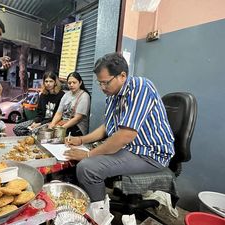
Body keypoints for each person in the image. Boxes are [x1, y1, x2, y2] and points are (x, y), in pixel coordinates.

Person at [64, 53, 175, 203]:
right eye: (99, 83)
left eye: (106, 83)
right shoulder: (113, 96)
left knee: (88, 168)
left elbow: (125, 135)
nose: (102, 88)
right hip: (131, 148)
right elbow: (106, 127)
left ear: (122, 76)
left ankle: (100, 215)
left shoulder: (140, 87)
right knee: (81, 155)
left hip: (150, 154)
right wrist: (81, 139)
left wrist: (89, 155)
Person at [13, 72, 65, 136]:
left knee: (33, 132)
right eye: (46, 81)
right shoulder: (43, 95)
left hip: (52, 122)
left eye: (51, 81)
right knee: (16, 128)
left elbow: (57, 116)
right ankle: (31, 136)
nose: (48, 83)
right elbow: (39, 114)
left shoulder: (61, 95)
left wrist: (40, 124)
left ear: (55, 82)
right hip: (40, 121)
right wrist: (34, 122)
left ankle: (33, 136)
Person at [48, 72, 90, 136]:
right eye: (69, 83)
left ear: (80, 83)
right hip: (64, 124)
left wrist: (61, 128)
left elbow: (77, 119)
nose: (71, 85)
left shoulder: (84, 96)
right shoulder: (66, 95)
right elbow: (59, 113)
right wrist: (52, 125)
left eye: (74, 82)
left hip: (77, 128)